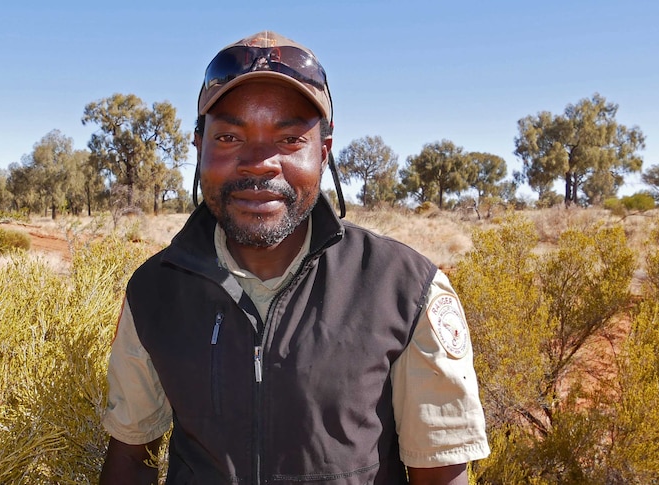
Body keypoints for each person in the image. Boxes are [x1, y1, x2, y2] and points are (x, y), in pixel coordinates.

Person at [100, 31, 489, 485]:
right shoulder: (154, 291)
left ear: (322, 153)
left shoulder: (406, 289)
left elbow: (441, 476)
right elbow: (130, 458)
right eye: (228, 136)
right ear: (199, 148)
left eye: (288, 139)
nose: (259, 162)